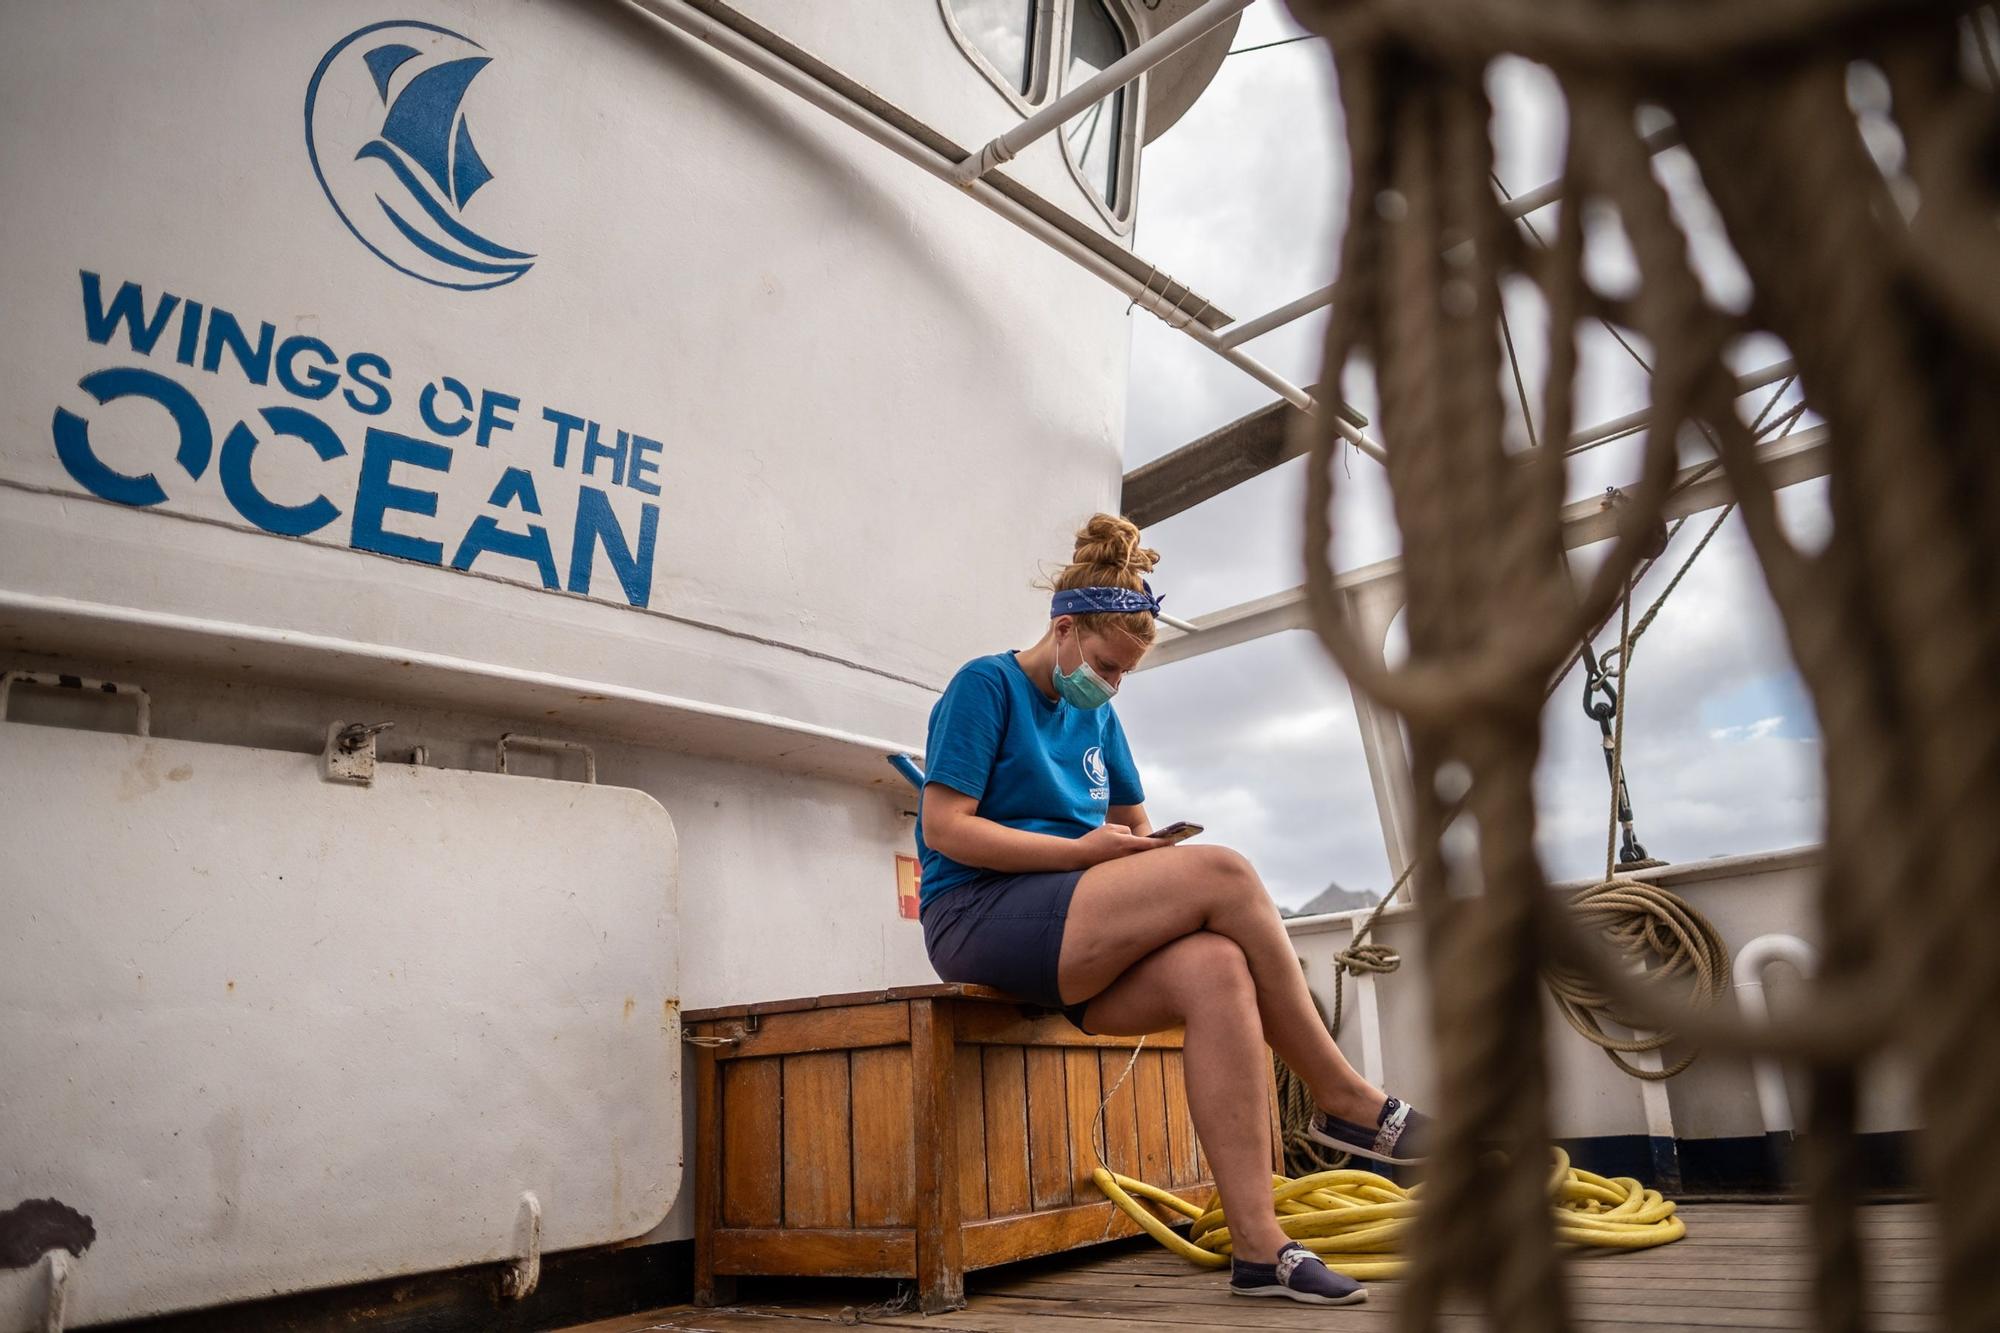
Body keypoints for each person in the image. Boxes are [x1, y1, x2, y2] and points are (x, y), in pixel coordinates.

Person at [915, 513, 1431, 1307]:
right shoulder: (984, 687)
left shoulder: (1100, 715)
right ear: (1063, 628)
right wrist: (1087, 852)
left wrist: (1139, 857)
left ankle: (1261, 1250)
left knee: (1217, 966)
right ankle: (1345, 1098)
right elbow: (946, 825)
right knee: (1225, 871)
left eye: (1125, 674)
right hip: (979, 914)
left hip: (1073, 925)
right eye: (1105, 664)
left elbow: (1137, 830)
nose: (1112, 684)